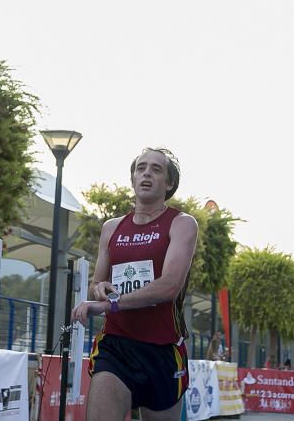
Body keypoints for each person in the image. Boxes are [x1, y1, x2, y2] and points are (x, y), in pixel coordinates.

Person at [71, 147, 199, 421]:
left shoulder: (182, 223)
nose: (146, 174)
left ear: (170, 183)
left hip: (162, 350)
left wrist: (111, 303)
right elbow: (98, 281)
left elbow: (169, 287)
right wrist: (100, 290)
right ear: (132, 179)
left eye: (156, 169)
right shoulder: (112, 227)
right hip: (116, 346)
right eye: (141, 168)